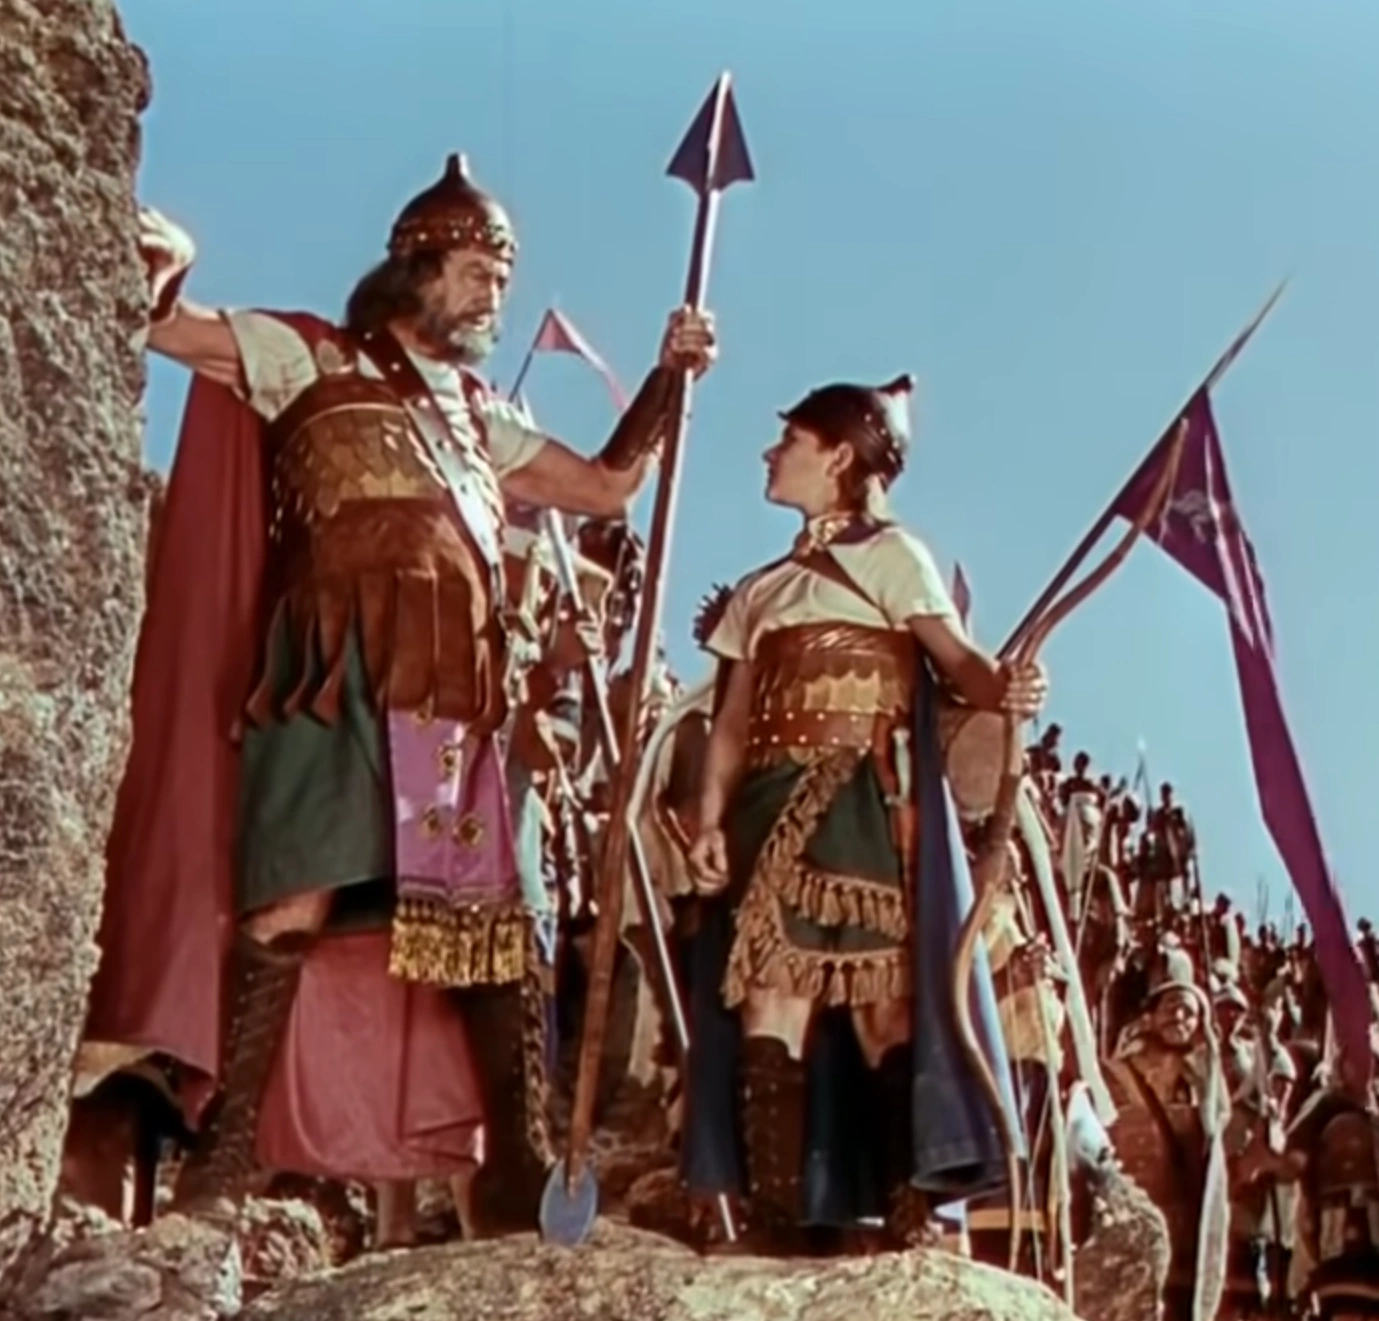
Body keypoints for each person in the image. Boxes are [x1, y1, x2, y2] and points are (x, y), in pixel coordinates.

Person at [79, 153, 716, 1238]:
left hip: (455, 692)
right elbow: (168, 328)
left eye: (500, 281)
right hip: (329, 669)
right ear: (415, 265)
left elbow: (606, 485)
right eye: (476, 273)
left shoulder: (477, 416)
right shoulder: (307, 355)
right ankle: (222, 1163)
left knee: (486, 931)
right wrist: (168, 262)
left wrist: (667, 379)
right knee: (292, 899)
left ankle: (514, 1180)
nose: (492, 297)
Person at [679, 373, 1044, 1248]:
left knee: (884, 1004)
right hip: (767, 808)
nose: (770, 454)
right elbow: (728, 725)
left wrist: (1008, 685)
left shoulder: (892, 555)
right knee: (769, 997)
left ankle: (909, 1215)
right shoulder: (757, 593)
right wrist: (708, 821)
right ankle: (776, 1218)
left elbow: (959, 665)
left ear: (839, 455)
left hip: (865, 801)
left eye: (789, 441)